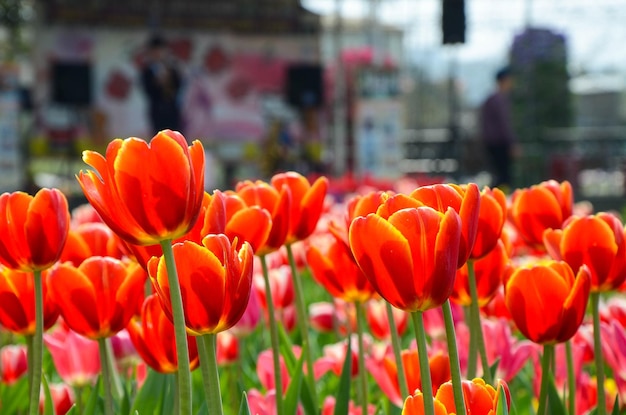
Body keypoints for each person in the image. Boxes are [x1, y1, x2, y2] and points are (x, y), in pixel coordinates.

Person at [479, 67, 517, 189]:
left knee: (499, 175)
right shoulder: (499, 100)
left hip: (491, 143)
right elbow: (504, 124)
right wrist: (512, 143)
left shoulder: (491, 99)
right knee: (503, 177)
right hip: (500, 143)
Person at [140, 34, 182, 134]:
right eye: (155, 51)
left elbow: (178, 86)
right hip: (157, 111)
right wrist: (157, 83)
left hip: (172, 110)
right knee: (158, 137)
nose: (158, 54)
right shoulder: (147, 71)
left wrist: (168, 80)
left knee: (173, 138)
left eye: (160, 50)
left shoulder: (171, 69)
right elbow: (147, 90)